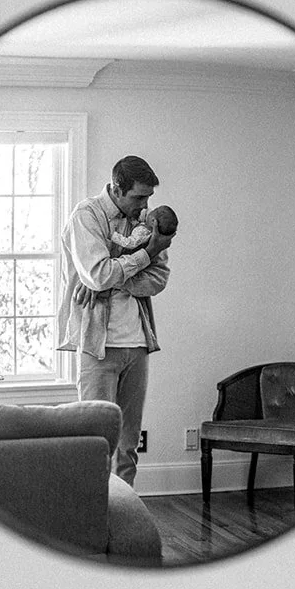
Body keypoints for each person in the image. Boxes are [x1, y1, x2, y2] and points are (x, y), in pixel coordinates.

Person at [56, 155, 174, 485]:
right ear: (116, 189)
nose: (145, 206)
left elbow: (159, 279)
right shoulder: (87, 215)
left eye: (148, 197)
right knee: (96, 440)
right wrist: (145, 255)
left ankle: (126, 511)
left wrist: (110, 281)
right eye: (139, 197)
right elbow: (97, 273)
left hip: (137, 343)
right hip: (98, 346)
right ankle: (94, 512)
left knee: (129, 444)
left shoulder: (149, 220)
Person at [110, 203, 179, 252]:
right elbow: (136, 226)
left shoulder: (144, 233)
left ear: (153, 221)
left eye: (153, 212)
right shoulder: (146, 227)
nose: (149, 212)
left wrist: (113, 235)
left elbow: (130, 243)